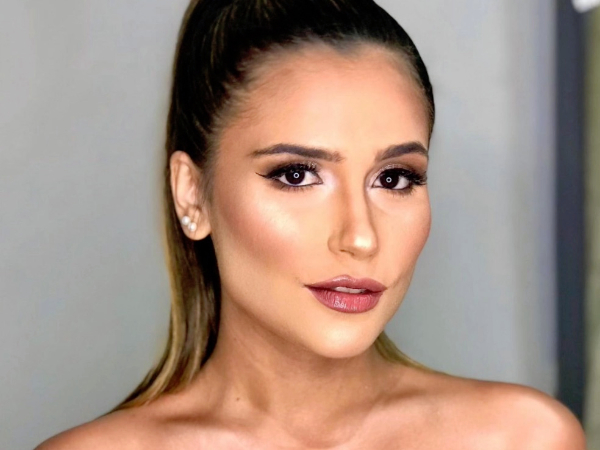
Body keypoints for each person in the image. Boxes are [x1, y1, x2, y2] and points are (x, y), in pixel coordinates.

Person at [37, 0, 586, 448]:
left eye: (394, 178)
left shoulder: (522, 438)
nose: (360, 237)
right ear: (192, 195)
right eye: (297, 174)